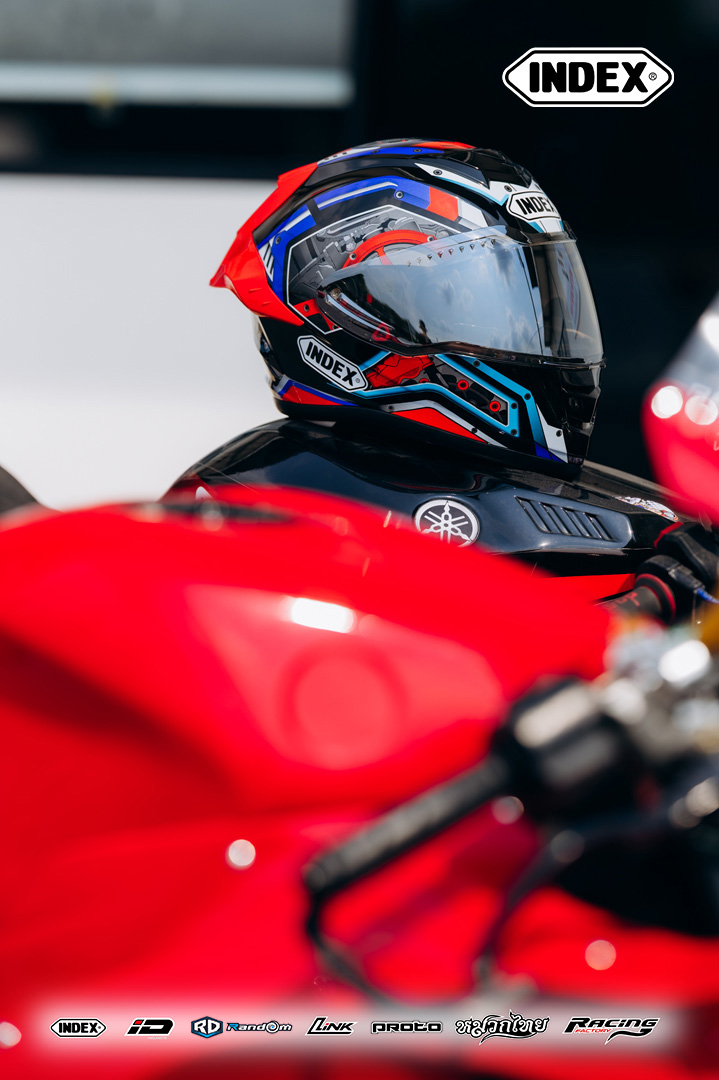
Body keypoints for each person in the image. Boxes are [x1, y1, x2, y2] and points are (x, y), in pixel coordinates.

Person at [168, 138, 719, 622]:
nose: (534, 333)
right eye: (471, 300)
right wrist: (651, 602)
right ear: (359, 312)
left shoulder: (498, 484)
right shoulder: (263, 494)